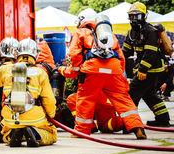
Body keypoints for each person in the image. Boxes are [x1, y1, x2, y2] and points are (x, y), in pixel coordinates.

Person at [58, 10, 146, 139]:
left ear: (82, 20)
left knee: (85, 100)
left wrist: (77, 69)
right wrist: (118, 72)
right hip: (114, 70)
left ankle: (81, 131)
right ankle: (138, 128)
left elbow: (74, 53)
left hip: (92, 70)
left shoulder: (80, 32)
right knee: (123, 100)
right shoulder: (109, 34)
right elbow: (120, 56)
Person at [0, 38, 57, 147]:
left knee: (5, 131)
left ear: (17, 53)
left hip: (10, 118)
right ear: (35, 54)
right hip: (34, 118)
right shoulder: (40, 73)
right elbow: (49, 100)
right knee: (51, 132)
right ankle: (36, 133)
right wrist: (51, 114)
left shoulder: (6, 70)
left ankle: (12, 134)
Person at [123, 2, 171, 127]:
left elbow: (150, 53)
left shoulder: (151, 31)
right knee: (149, 95)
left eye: (137, 16)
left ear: (144, 16)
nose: (134, 19)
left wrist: (143, 69)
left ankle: (131, 123)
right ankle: (162, 119)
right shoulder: (131, 33)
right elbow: (125, 52)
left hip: (152, 70)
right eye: (131, 16)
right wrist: (115, 59)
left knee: (131, 94)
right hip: (143, 70)